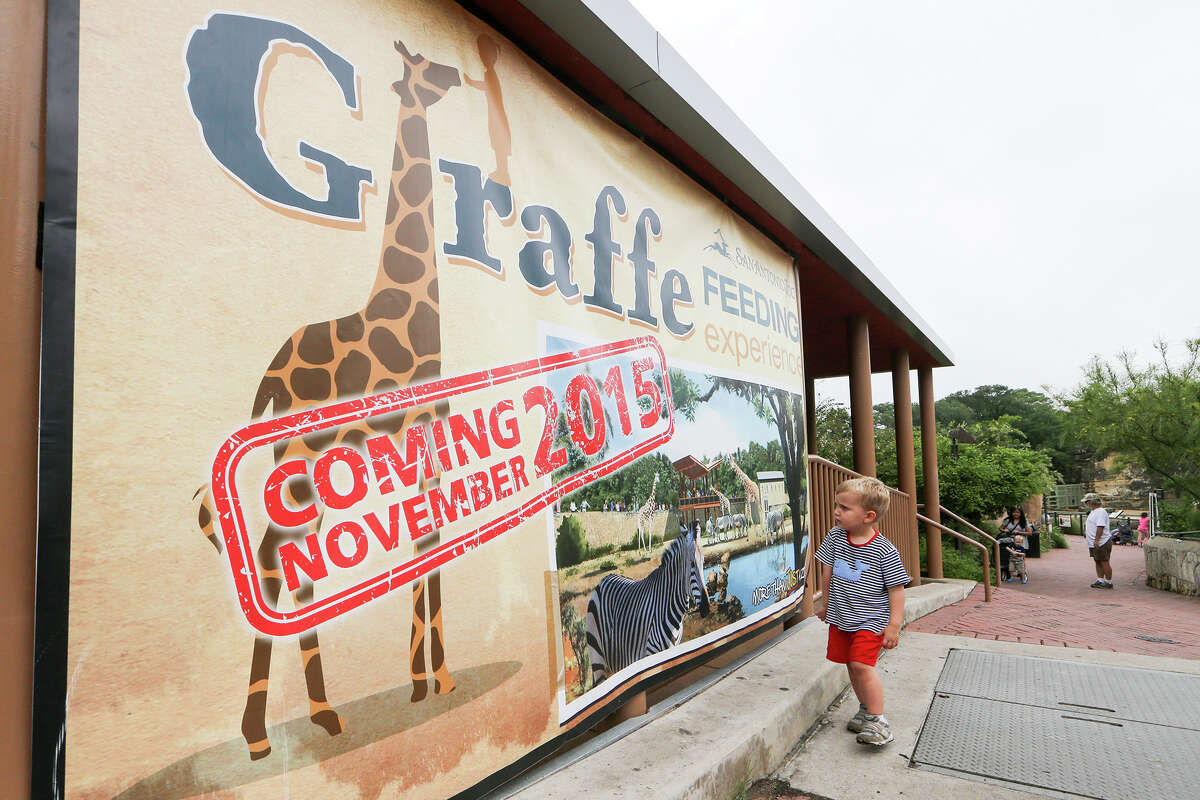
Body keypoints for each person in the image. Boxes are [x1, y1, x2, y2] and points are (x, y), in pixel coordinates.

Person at [814, 477, 909, 748]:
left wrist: (894, 625)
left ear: (869, 516)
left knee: (861, 665)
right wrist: (826, 605)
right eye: (837, 505)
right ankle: (866, 709)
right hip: (842, 617)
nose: (836, 512)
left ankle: (879, 722)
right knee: (850, 665)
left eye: (844, 508)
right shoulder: (834, 536)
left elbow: (897, 589)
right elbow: (828, 572)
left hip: (872, 620)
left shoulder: (884, 551)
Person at [1083, 492, 1113, 589]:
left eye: (1087, 502)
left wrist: (1097, 540)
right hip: (1093, 542)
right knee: (1097, 560)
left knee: (1104, 561)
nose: (1086, 504)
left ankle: (1108, 582)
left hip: (1101, 542)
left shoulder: (1101, 512)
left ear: (1091, 502)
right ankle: (1100, 579)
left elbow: (1100, 526)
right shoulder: (1094, 512)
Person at [999, 507, 1031, 581]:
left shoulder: (1024, 521)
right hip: (1010, 540)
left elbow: (1029, 533)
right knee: (1011, 556)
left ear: (1020, 513)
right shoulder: (1008, 520)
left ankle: (1022, 571)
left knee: (1021, 557)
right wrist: (1004, 530)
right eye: (1014, 512)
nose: (1016, 514)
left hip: (1021, 541)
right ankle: (1011, 571)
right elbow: (1001, 528)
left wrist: (1019, 532)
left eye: (1018, 512)